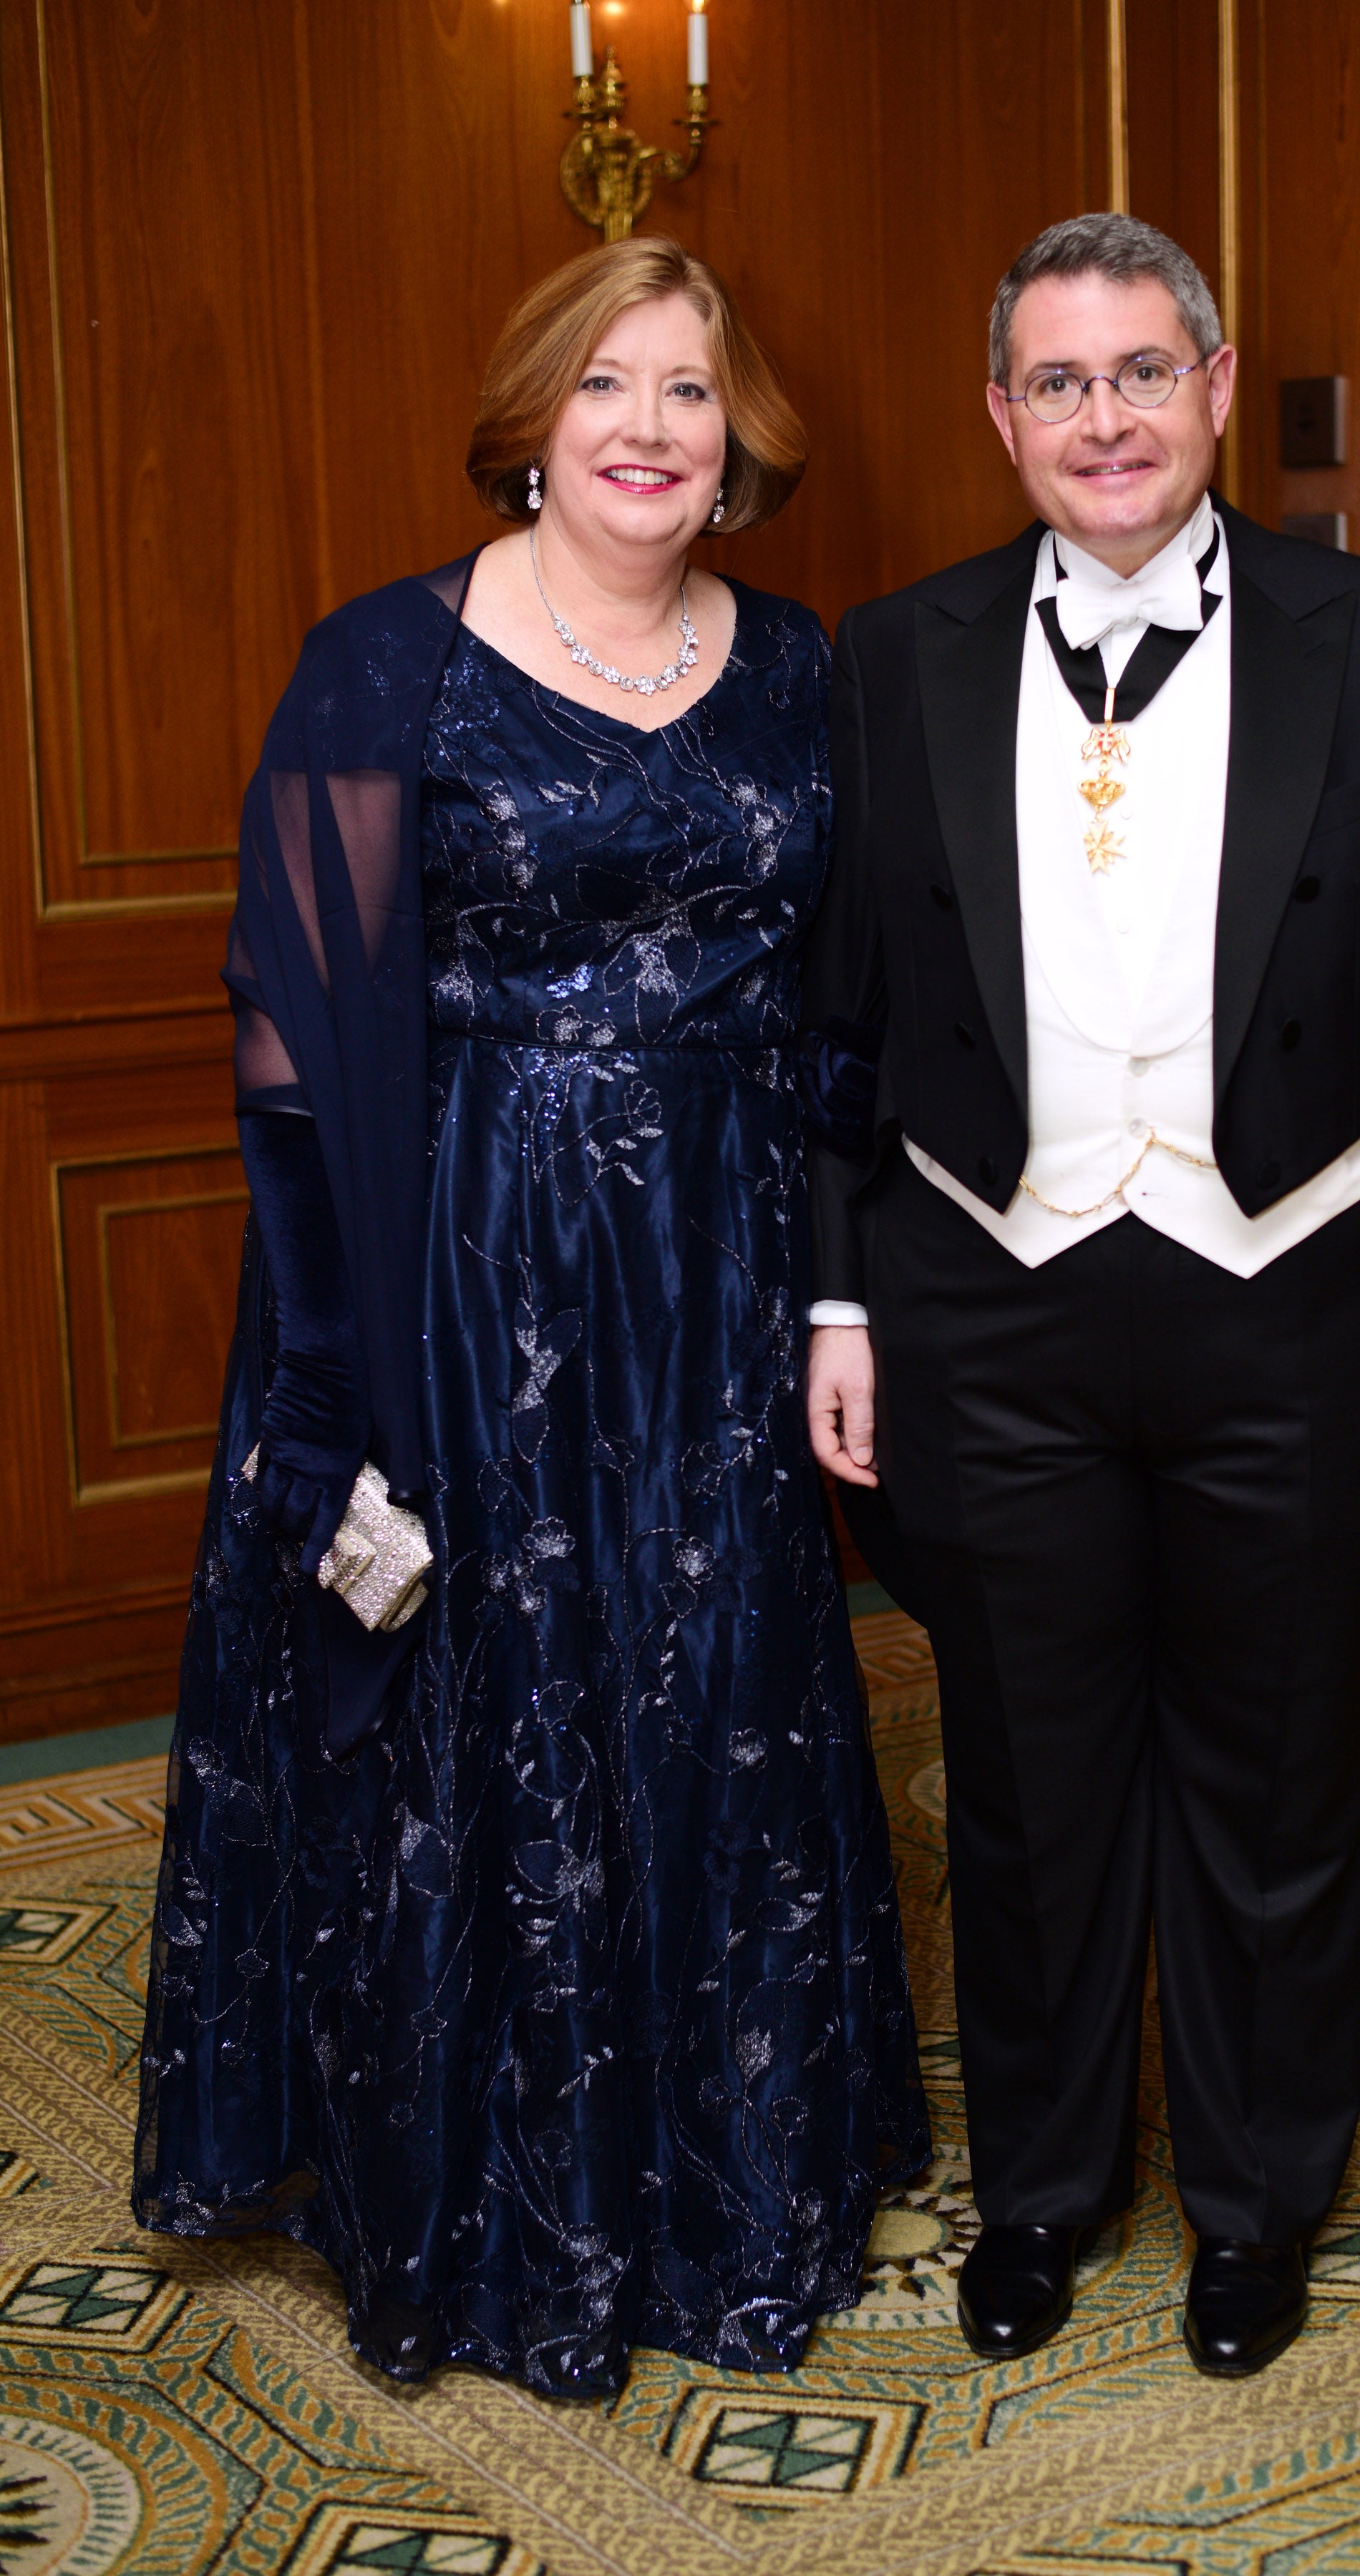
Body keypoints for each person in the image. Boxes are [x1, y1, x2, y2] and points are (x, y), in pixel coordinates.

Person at [133, 236, 928, 2396]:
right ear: (532, 421)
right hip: (462, 1273)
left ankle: (724, 2186)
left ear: (736, 434)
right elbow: (296, 1031)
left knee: (715, 1703)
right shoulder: (379, 665)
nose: (650, 432)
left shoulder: (799, 670)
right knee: (489, 1715)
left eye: (688, 392)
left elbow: (847, 993)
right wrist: (332, 1371)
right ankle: (494, 2217)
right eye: (609, 390)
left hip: (723, 1275)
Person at [803, 213, 1360, 2380]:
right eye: (1059, 381)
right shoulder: (892, 650)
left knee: (1285, 1776)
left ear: (1217, 386)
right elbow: (832, 1025)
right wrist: (837, 1308)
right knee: (1023, 1784)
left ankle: (1251, 2199)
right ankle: (1039, 2191)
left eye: (1142, 371)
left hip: (1298, 1290)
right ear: (1001, 418)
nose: (1103, 417)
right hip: (988, 1298)